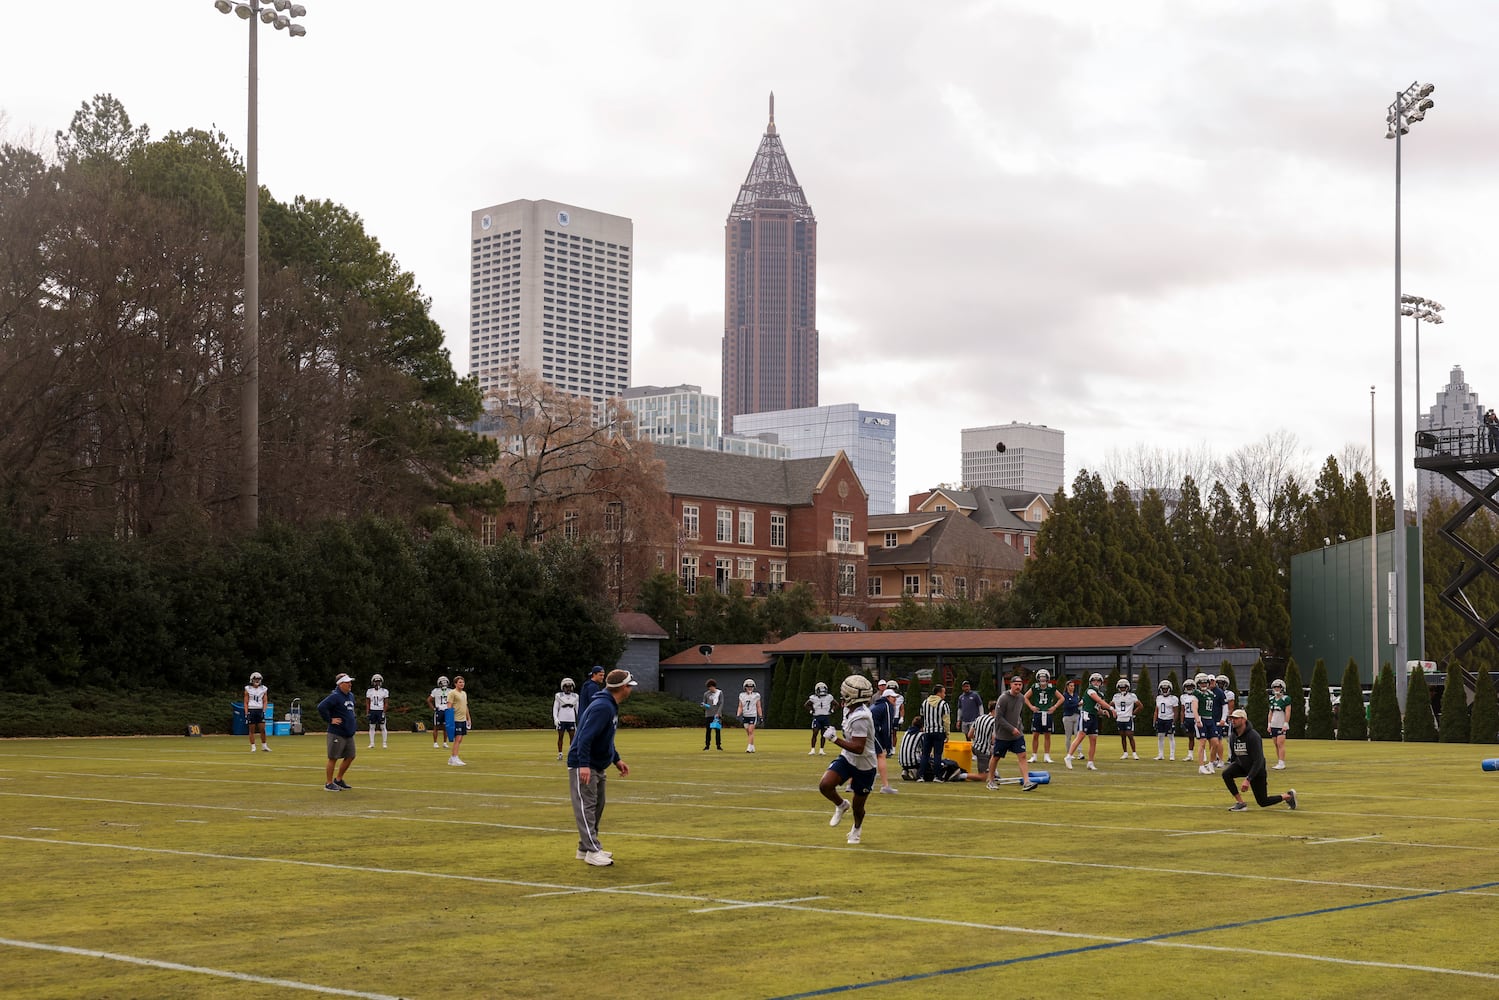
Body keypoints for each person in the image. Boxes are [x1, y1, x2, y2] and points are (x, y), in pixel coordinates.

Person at [566, 668, 636, 866]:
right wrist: (584, 764)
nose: (631, 690)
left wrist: (617, 759)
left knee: (597, 805)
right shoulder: (603, 707)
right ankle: (592, 850)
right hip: (584, 763)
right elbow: (586, 737)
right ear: (622, 687)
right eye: (629, 686)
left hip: (597, 763)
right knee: (586, 807)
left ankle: (585, 847)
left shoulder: (610, 705)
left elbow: (605, 738)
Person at [819, 674, 877, 844]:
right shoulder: (848, 709)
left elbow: (859, 748)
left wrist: (834, 739)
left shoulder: (862, 717)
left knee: (858, 806)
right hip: (848, 758)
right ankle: (841, 805)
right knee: (825, 785)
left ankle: (857, 828)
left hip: (865, 764)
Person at [1222, 709, 1297, 812]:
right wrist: (1233, 767)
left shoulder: (1253, 736)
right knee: (1226, 773)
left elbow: (1258, 760)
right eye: (1232, 718)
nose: (1233, 720)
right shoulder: (1233, 736)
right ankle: (1240, 803)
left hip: (1257, 769)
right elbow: (1235, 757)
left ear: (1243, 720)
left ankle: (1288, 796)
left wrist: (1248, 779)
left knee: (1263, 801)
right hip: (1243, 766)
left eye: (1236, 718)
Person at [985, 676, 1038, 790]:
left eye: (1020, 684)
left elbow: (1017, 715)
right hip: (1003, 735)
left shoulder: (1021, 698)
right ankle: (990, 780)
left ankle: (1026, 782)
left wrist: (1019, 727)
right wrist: (1011, 729)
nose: (1018, 686)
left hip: (1017, 735)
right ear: (1011, 685)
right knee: (996, 757)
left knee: (1022, 756)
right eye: (1016, 684)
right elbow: (999, 718)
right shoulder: (1003, 698)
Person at [1064, 673, 1115, 771]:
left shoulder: (1100, 693)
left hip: (1094, 716)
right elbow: (1099, 701)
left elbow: (1098, 708)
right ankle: (1068, 756)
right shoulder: (1090, 690)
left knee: (1093, 739)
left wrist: (1103, 712)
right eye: (1094, 680)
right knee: (1081, 736)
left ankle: (1090, 762)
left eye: (1098, 681)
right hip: (1086, 715)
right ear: (1091, 682)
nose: (1096, 682)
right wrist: (1111, 708)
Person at [317, 673, 358, 791]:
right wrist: (330, 720)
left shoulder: (350, 696)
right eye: (347, 682)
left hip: (348, 733)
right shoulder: (335, 696)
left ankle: (338, 779)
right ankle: (328, 783)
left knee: (350, 756)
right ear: (340, 684)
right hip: (337, 732)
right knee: (333, 758)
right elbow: (321, 707)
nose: (350, 684)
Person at [1024, 668, 1060, 764]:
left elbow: (1062, 698)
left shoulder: (1051, 687)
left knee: (1047, 735)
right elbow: (1025, 697)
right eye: (1041, 677)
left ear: (1047, 678)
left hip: (1047, 713)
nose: (1042, 679)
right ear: (1038, 678)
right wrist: (1031, 707)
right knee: (1035, 735)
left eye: (1044, 677)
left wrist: (1054, 707)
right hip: (1038, 713)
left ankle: (1046, 756)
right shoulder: (1035, 687)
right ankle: (1034, 756)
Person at [869, 683, 899, 793]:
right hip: (870, 731)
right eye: (893, 697)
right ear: (887, 697)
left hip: (866, 730)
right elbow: (887, 728)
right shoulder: (887, 706)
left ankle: (852, 784)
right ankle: (885, 786)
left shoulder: (878, 705)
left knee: (864, 757)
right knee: (881, 755)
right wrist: (888, 745)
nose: (895, 699)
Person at [918, 684, 950, 782]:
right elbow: (946, 721)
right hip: (939, 732)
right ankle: (937, 776)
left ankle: (921, 776)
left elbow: (921, 716)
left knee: (925, 754)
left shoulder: (924, 703)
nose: (945, 694)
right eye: (944, 692)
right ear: (939, 693)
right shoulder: (943, 704)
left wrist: (924, 727)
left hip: (927, 731)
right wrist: (947, 733)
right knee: (937, 754)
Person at [806, 681, 838, 755]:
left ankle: (821, 750)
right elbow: (806, 704)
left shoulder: (829, 697)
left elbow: (836, 704)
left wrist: (832, 710)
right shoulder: (813, 698)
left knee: (824, 734)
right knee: (815, 733)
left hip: (825, 717)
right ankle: (813, 749)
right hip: (817, 717)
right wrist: (811, 711)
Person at [1113, 678, 1141, 760]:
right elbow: (1110, 705)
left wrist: (1133, 713)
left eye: (1124, 687)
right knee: (1122, 736)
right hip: (1119, 718)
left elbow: (1140, 706)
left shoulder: (1132, 696)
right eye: (1121, 687)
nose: (1122, 689)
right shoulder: (1116, 696)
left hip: (1128, 718)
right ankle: (1125, 753)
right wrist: (1113, 711)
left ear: (1127, 687)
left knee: (1130, 735)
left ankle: (1134, 753)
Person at [1268, 678, 1293, 770]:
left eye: (1278, 687)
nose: (1276, 689)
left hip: (1281, 724)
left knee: (1280, 743)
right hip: (1274, 724)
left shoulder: (1286, 699)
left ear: (1282, 688)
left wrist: (1286, 723)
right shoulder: (1271, 699)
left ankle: (1282, 762)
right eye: (1275, 687)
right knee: (1276, 744)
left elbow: (1288, 712)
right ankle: (1279, 761)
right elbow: (1270, 713)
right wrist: (1269, 724)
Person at [447, 675, 472, 766]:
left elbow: (465, 707)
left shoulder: (464, 693)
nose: (462, 684)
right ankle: (454, 758)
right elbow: (449, 706)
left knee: (460, 739)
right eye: (460, 682)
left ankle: (452, 758)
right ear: (455, 684)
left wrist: (468, 718)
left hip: (463, 720)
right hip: (455, 719)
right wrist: (450, 720)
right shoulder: (452, 693)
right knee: (457, 739)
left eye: (463, 682)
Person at [244, 671, 271, 753]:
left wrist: (264, 711)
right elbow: (245, 701)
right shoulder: (248, 689)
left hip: (259, 709)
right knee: (251, 730)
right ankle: (253, 746)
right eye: (255, 679)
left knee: (262, 729)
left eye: (258, 679)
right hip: (251, 709)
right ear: (252, 680)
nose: (257, 681)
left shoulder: (264, 689)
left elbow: (265, 701)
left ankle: (264, 746)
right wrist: (246, 712)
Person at [970, 700, 997, 781]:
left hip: (975, 747)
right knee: (983, 777)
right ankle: (961, 775)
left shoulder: (979, 717)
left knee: (994, 755)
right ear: (994, 710)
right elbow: (993, 740)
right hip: (983, 751)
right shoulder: (994, 721)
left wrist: (979, 738)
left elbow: (970, 735)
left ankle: (994, 773)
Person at [1153, 679, 1180, 761]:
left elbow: (1176, 711)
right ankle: (1160, 754)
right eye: (1163, 689)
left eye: (1166, 689)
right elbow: (1156, 710)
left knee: (1171, 737)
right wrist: (1154, 720)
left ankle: (1172, 755)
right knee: (1160, 737)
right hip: (1161, 719)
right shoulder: (1158, 698)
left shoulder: (1173, 698)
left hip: (1169, 719)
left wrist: (1173, 721)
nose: (1164, 690)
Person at [554, 678, 579, 761]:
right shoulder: (559, 696)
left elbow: (578, 709)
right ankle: (560, 753)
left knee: (572, 738)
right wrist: (556, 718)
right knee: (560, 737)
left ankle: (572, 754)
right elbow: (555, 708)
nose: (568, 688)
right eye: (566, 687)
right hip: (562, 719)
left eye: (570, 687)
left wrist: (580, 720)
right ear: (563, 687)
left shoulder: (575, 696)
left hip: (571, 720)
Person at [738, 679, 763, 753]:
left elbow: (758, 706)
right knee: (748, 732)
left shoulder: (756, 695)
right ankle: (752, 746)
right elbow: (740, 706)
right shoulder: (742, 695)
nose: (750, 688)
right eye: (748, 687)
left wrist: (760, 716)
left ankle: (749, 747)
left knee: (751, 731)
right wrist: (738, 713)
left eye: (751, 687)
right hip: (745, 715)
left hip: (753, 715)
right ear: (745, 687)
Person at [366, 673, 389, 750]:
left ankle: (384, 743)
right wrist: (367, 712)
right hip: (372, 710)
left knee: (383, 727)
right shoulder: (369, 691)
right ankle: (372, 743)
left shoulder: (384, 691)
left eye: (379, 681)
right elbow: (368, 703)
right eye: (376, 681)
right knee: (372, 727)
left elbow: (386, 703)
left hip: (380, 710)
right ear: (373, 682)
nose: (377, 683)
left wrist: (384, 712)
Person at [427, 676, 450, 750]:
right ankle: (435, 743)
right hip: (439, 710)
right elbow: (428, 700)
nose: (444, 683)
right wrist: (433, 708)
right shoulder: (435, 691)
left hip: (447, 710)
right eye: (442, 682)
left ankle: (445, 743)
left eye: (445, 682)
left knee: (446, 727)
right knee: (436, 727)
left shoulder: (450, 691)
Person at [1060, 678, 1081, 757]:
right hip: (1068, 716)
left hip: (1076, 715)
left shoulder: (1076, 695)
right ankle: (1069, 753)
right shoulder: (1064, 695)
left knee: (1078, 734)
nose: (1072, 687)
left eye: (1073, 686)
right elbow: (1066, 706)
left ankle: (1079, 752)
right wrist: (1077, 705)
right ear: (1067, 687)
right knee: (1068, 736)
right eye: (1071, 686)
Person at [700, 679, 723, 751]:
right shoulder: (706, 694)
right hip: (708, 714)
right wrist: (704, 705)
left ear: (714, 686)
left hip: (716, 715)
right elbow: (704, 703)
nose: (710, 689)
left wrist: (718, 713)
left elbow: (721, 703)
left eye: (711, 687)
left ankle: (718, 745)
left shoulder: (720, 693)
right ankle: (707, 745)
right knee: (708, 731)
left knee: (717, 731)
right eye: (709, 687)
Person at [1180, 676, 1199, 762]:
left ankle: (1204, 755)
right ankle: (1190, 755)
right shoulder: (1183, 697)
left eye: (1191, 686)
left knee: (1201, 737)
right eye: (1188, 687)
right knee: (1190, 737)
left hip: (1196, 718)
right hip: (1188, 718)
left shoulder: (1197, 695)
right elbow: (1182, 710)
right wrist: (1182, 721)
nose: (1189, 688)